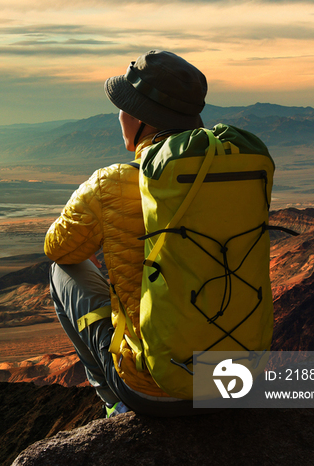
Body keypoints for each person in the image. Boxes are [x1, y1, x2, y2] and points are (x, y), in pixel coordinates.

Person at [44, 50, 207, 417]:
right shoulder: (232, 175)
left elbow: (56, 247)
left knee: (61, 270)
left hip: (154, 389)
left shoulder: (115, 182)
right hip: (232, 377)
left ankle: (114, 404)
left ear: (140, 119)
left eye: (122, 108)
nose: (119, 116)